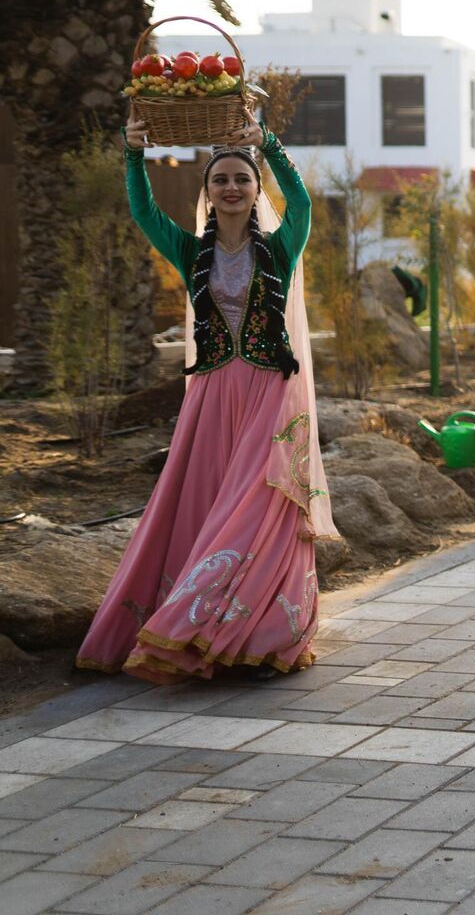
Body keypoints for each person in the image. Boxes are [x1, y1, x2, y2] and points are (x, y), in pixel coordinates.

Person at [79, 118, 332, 682]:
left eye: (242, 178)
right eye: (221, 180)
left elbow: (303, 203)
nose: (232, 187)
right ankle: (203, 625)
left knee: (261, 505)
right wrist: (133, 155)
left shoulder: (282, 247)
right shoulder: (191, 251)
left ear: (254, 187)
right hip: (214, 394)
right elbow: (144, 214)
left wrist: (268, 146)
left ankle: (261, 632)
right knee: (209, 504)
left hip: (270, 389)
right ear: (209, 193)